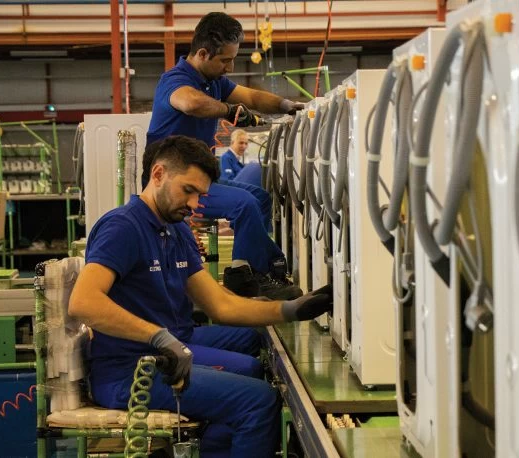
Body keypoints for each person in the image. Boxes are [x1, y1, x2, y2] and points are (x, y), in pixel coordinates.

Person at [70, 134, 333, 458]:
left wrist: (291, 310)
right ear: (158, 174)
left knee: (252, 358)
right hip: (130, 371)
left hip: (169, 348)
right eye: (188, 190)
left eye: (200, 195)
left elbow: (219, 305)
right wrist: (158, 336)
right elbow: (83, 302)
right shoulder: (122, 228)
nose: (195, 205)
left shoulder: (175, 228)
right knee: (259, 401)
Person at [146, 11, 303, 300]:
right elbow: (190, 103)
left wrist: (288, 106)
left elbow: (252, 97)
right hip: (174, 185)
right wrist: (230, 111)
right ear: (202, 54)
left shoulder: (215, 82)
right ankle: (251, 278)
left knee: (260, 198)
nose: (230, 67)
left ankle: (250, 270)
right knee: (244, 204)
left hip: (200, 179)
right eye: (224, 60)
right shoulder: (175, 80)